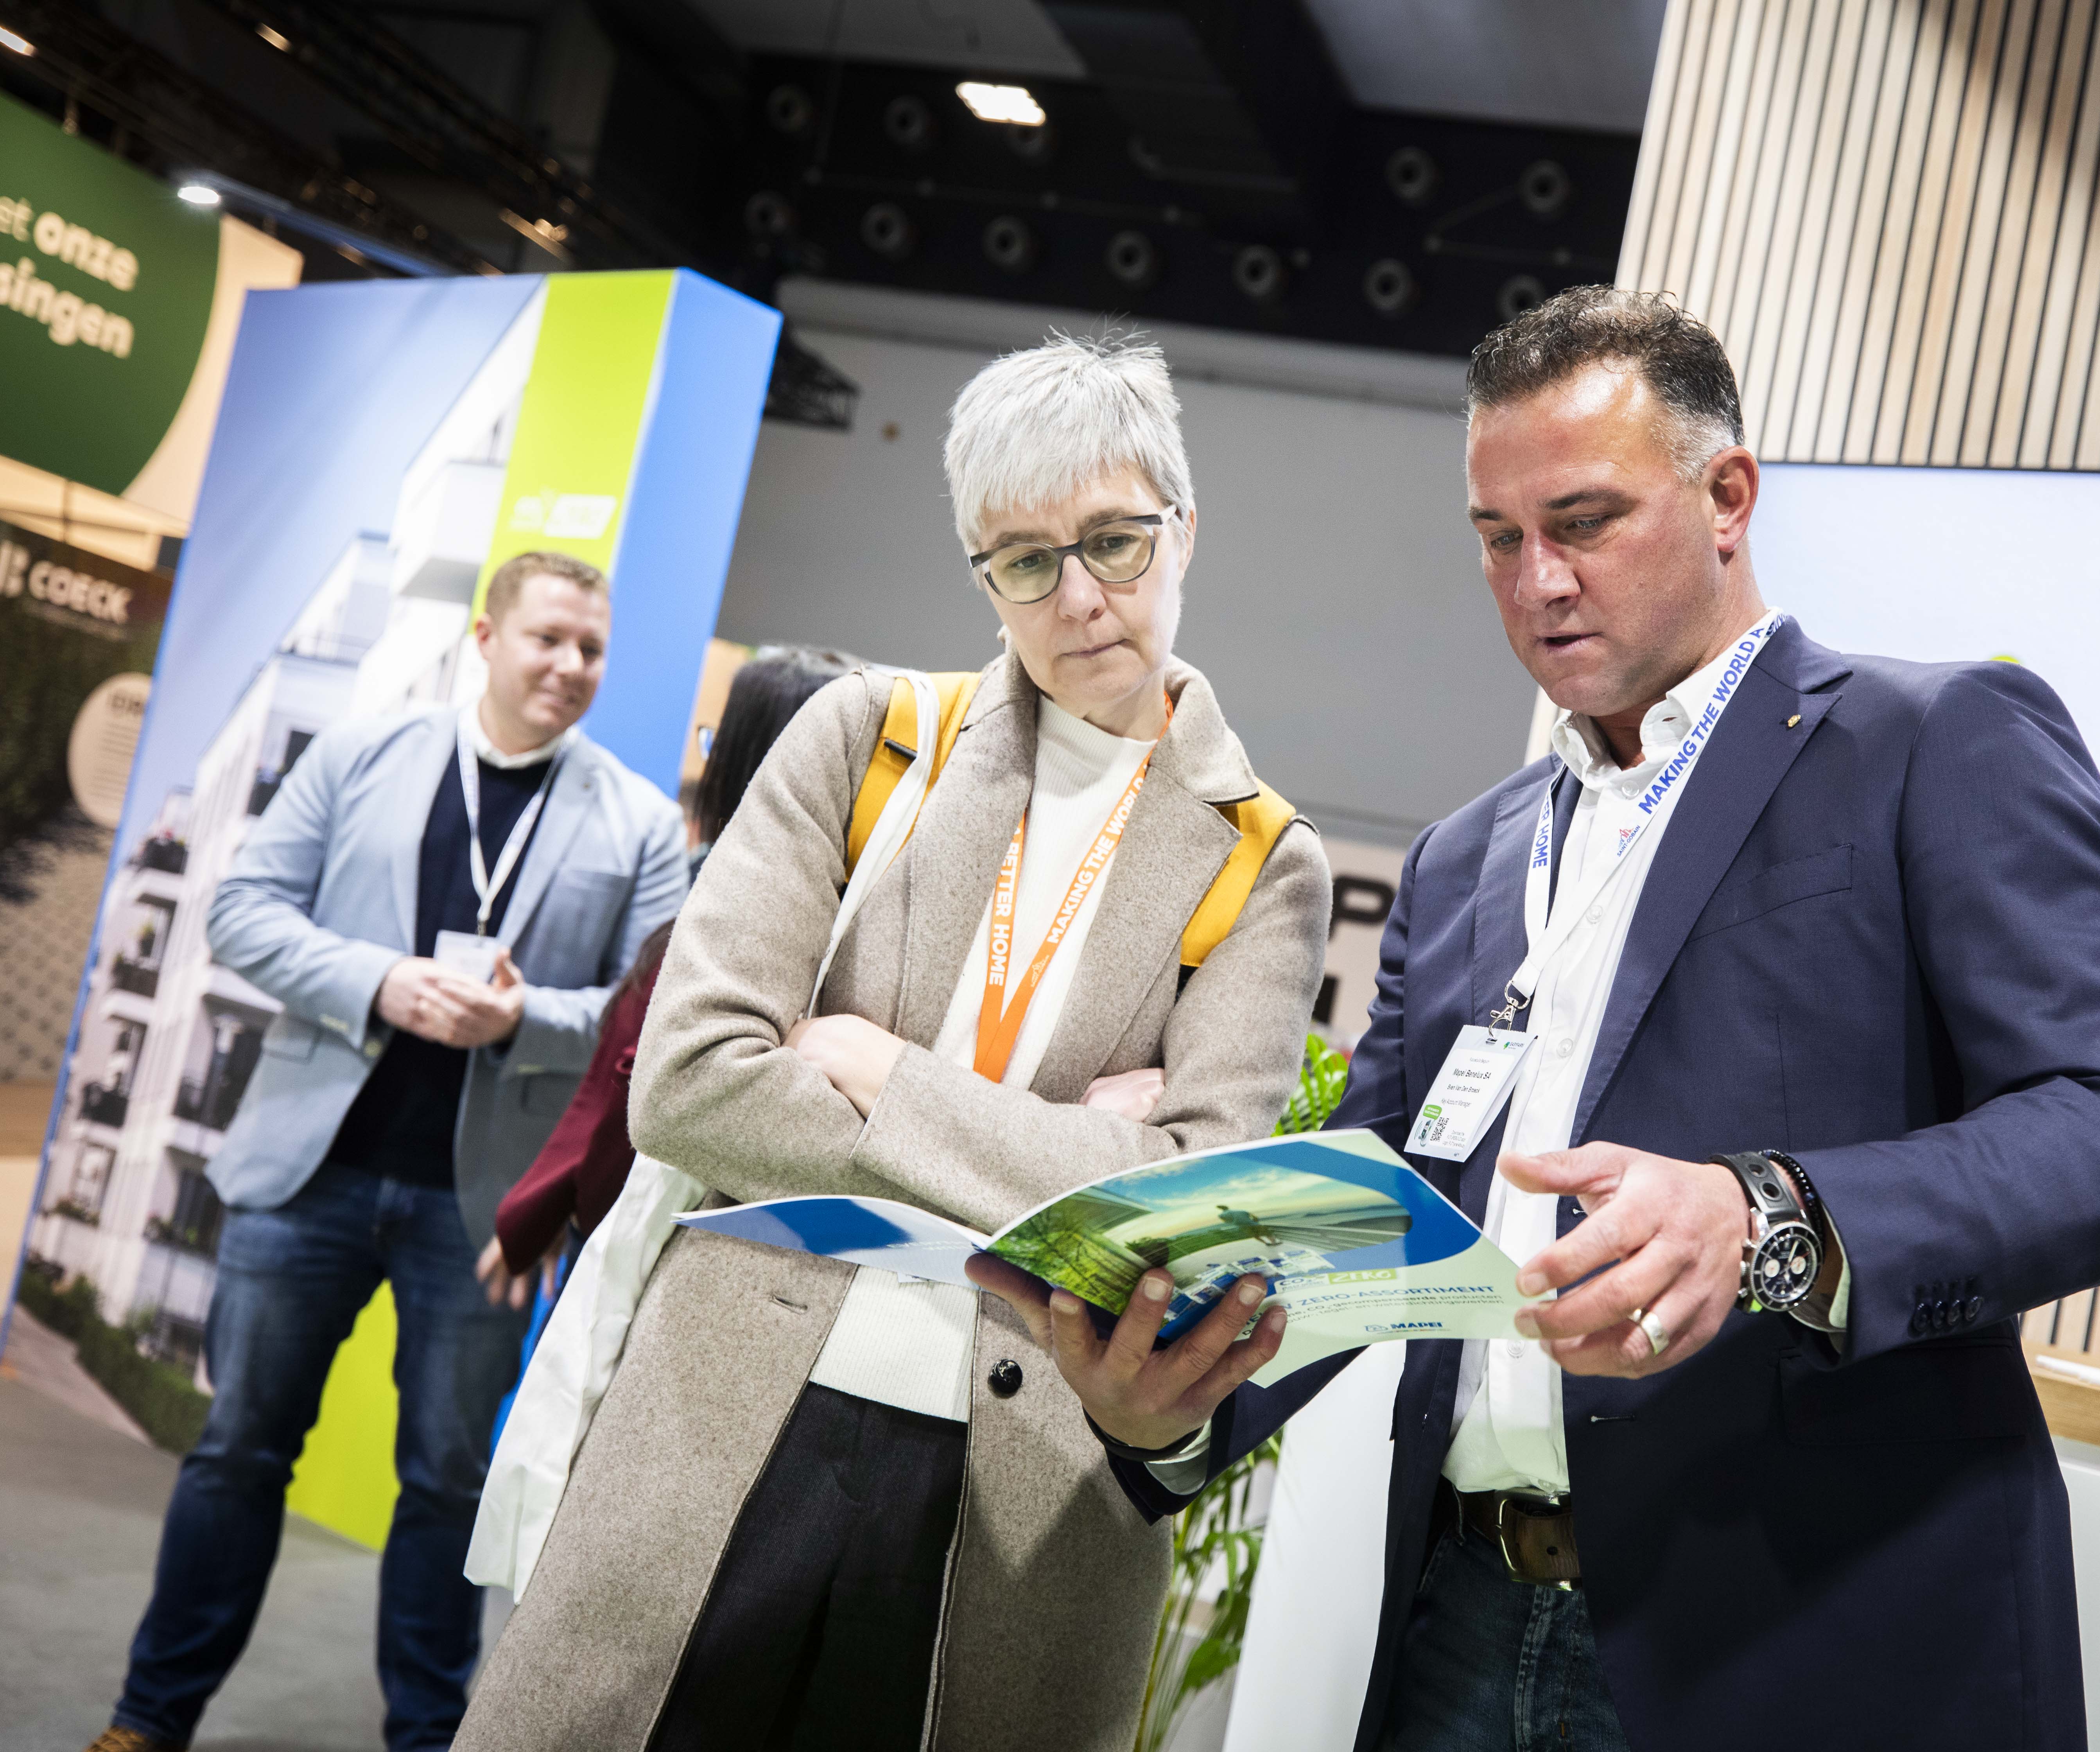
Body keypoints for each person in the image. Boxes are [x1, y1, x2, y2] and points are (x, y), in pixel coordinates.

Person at [978, 288, 2100, 1752]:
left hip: (1800, 1625)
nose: (1539, 581)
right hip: (1463, 1617)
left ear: (1728, 497)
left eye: (1585, 522)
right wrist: (1173, 1404)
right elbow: (1370, 1216)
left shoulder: (1931, 743)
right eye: (1500, 538)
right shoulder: (1467, 857)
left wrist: (1769, 1218)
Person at [457, 334, 1332, 1752]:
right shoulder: (869, 740)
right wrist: (1078, 1155)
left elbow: (1176, 1222)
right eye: (1027, 561)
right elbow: (689, 1085)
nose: (1081, 598)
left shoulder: (1260, 859)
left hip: (1029, 1483)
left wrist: (876, 1071)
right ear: (984, 576)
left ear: (1185, 528)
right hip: (727, 1415)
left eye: (1115, 542)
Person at [86, 551, 687, 1752]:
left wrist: (524, 1017)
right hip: (305, 1176)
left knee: (448, 1485)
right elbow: (242, 911)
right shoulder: (362, 755)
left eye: (592, 648)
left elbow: (650, 1018)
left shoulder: (637, 822)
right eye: (549, 638)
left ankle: (426, 1739)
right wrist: (377, 983)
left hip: (484, 1214)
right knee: (237, 1453)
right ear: (486, 638)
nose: (572, 665)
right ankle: (149, 1719)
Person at [478, 644, 861, 1297]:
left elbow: (623, 1097)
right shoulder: (854, 923)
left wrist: (539, 1215)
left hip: (652, 1241)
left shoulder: (718, 922)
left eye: (718, 742)